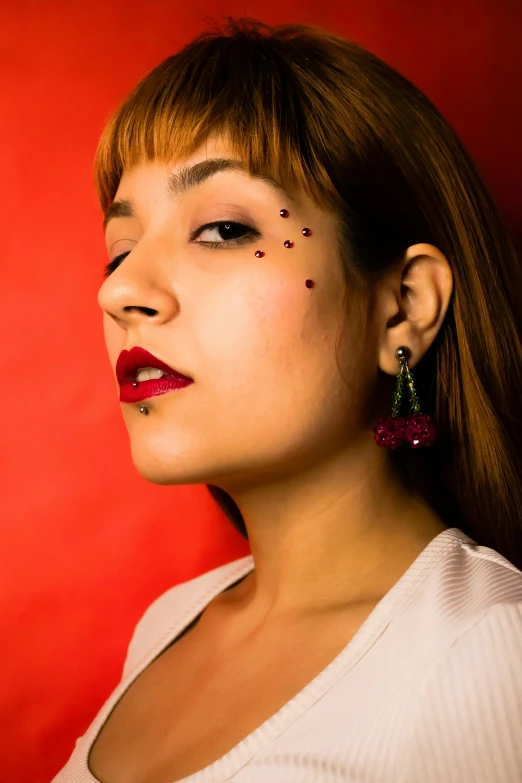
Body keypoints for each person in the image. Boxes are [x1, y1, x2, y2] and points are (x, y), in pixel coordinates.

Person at [51, 16, 522, 783]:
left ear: (402, 307)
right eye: (121, 247)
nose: (120, 289)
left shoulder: (490, 652)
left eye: (224, 228)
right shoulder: (170, 623)